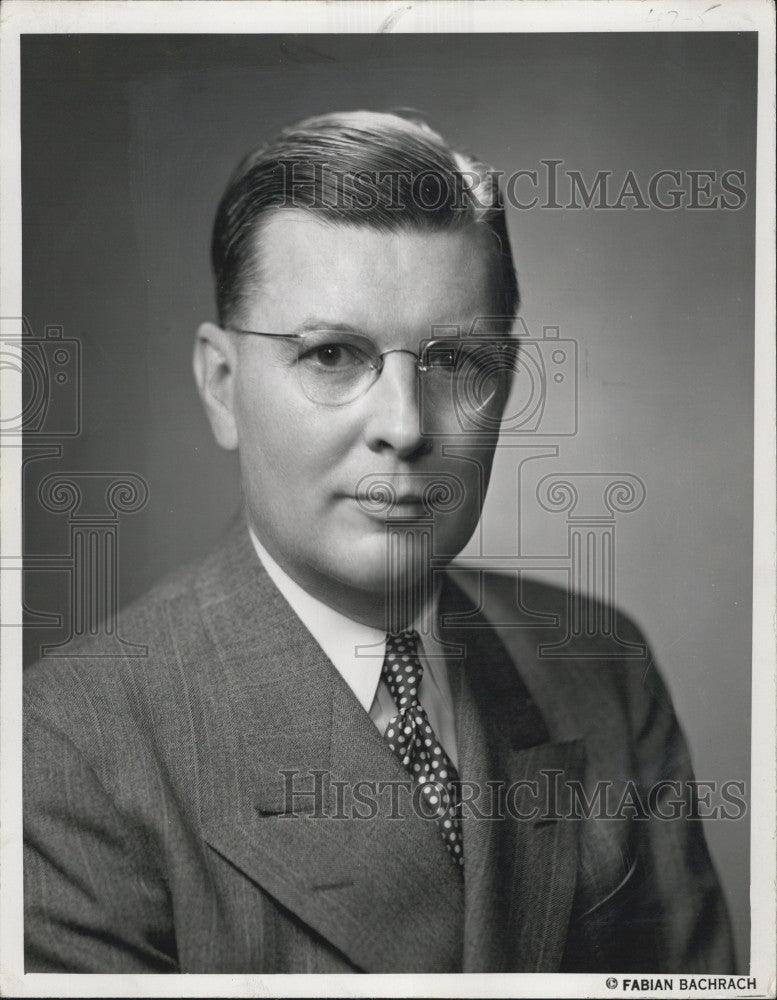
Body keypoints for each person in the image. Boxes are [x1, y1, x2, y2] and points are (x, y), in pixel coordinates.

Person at [23, 110, 735, 974]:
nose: (403, 427)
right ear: (221, 385)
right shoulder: (62, 749)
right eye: (331, 354)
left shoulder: (600, 666)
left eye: (457, 361)